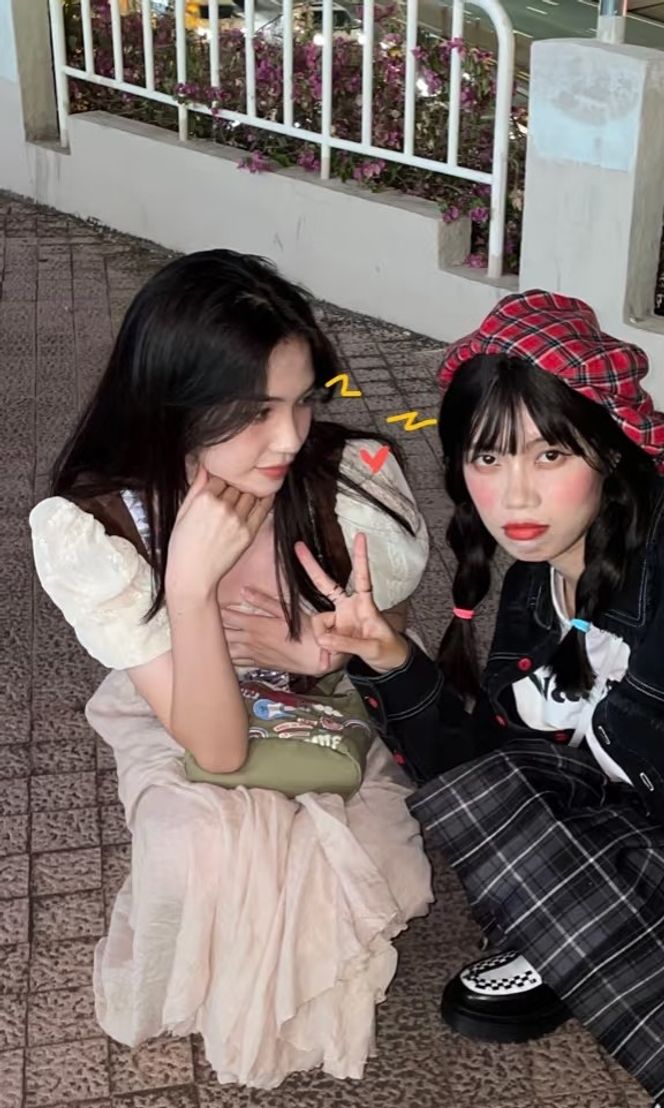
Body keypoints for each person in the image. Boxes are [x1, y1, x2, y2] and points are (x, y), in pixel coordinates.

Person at [293, 290, 664, 1108]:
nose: (514, 497)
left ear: (610, 450)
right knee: (499, 800)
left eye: (549, 455)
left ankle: (607, 948)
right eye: (486, 458)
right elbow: (488, 783)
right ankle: (578, 945)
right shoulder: (533, 591)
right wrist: (388, 659)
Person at [29, 250, 433, 1089]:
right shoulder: (100, 528)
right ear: (173, 403)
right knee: (201, 847)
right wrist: (188, 586)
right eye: (253, 412)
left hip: (330, 703)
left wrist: (323, 648)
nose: (289, 438)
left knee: (372, 871)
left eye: (303, 400)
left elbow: (387, 620)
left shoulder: (346, 479)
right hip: (181, 705)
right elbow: (215, 749)